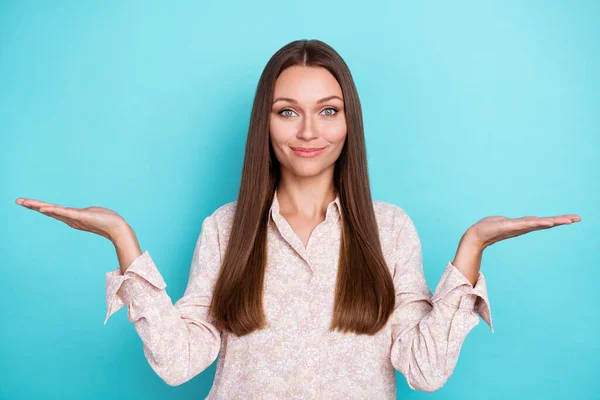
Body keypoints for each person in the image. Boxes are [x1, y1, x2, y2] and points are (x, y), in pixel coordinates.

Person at [15, 39, 581, 399]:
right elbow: (178, 362)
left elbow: (425, 371)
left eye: (327, 111)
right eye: (288, 112)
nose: (308, 132)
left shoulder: (391, 229)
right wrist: (123, 239)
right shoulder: (225, 227)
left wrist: (472, 247)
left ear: (348, 121)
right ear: (266, 122)